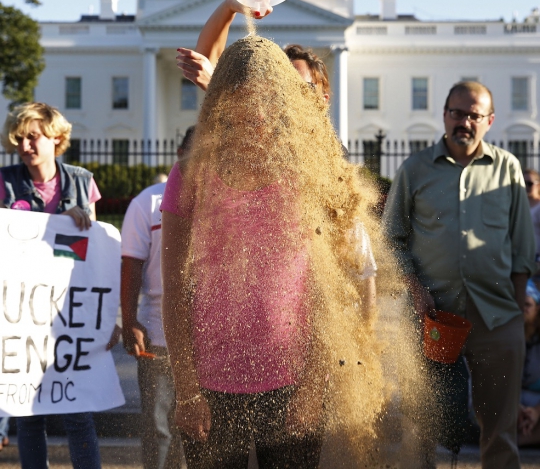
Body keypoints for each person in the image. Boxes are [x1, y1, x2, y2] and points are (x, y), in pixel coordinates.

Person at [161, 36, 377, 469]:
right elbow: (174, 289)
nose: (255, 117)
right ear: (220, 103)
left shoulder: (311, 173)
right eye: (241, 103)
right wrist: (187, 392)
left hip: (292, 383)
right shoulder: (191, 175)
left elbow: (330, 294)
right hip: (210, 387)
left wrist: (313, 388)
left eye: (265, 102)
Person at [383, 81, 536, 469]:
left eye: (473, 115)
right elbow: (391, 239)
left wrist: (517, 318)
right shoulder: (414, 170)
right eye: (457, 113)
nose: (464, 122)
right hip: (431, 319)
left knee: (499, 433)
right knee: (422, 430)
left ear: (490, 121)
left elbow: (521, 250)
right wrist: (415, 290)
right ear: (445, 114)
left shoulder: (508, 169)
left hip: (497, 318)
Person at [0, 102, 104, 469]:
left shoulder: (81, 181)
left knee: (78, 412)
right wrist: (56, 224)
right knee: (29, 415)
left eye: (33, 137)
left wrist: (106, 320)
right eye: (19, 138)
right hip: (21, 318)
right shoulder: (5, 182)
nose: (25, 145)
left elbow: (93, 258)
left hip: (68, 317)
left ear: (56, 138)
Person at [121, 126, 195, 469]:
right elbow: (131, 265)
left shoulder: (225, 205)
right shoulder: (148, 202)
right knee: (158, 427)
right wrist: (130, 321)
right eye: (192, 156)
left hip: (209, 341)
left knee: (200, 431)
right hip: (157, 334)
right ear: (178, 155)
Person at [175, 0, 331, 104]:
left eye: (303, 87)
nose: (291, 96)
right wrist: (229, 5)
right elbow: (209, 61)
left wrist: (213, 86)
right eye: (283, 87)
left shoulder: (331, 150)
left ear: (323, 101)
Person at [518, 280, 540, 446]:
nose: (523, 310)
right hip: (513, 400)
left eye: (528, 304)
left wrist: (536, 412)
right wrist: (514, 407)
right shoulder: (503, 336)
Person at [524, 168, 540, 271]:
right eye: (523, 183)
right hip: (522, 257)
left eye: (529, 183)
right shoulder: (520, 206)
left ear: (538, 185)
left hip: (536, 259)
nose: (525, 186)